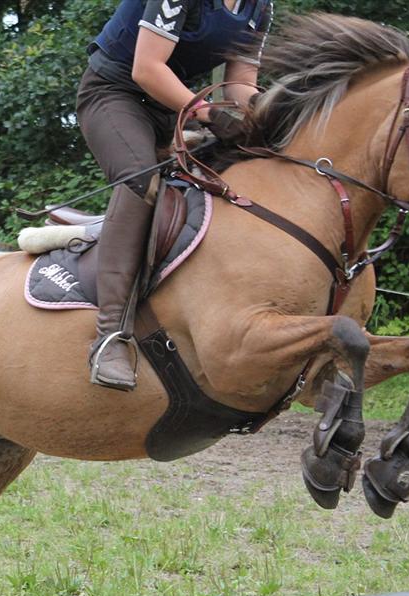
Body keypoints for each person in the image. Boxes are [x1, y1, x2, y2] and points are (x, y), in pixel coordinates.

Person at [77, 0, 273, 390]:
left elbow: (240, 85)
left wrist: (269, 113)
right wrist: (209, 114)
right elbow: (146, 69)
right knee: (140, 180)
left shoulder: (260, 5)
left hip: (173, 109)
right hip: (114, 94)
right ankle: (111, 335)